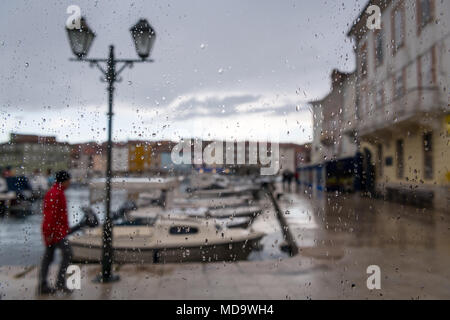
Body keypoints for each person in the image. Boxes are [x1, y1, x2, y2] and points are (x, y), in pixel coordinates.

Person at [38, 170, 73, 295]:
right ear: (64, 181)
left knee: (49, 257)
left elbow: (59, 215)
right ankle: (58, 283)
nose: (70, 183)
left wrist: (65, 228)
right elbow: (50, 216)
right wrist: (48, 233)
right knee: (68, 253)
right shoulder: (55, 194)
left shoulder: (58, 192)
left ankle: (44, 285)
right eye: (69, 180)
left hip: (56, 231)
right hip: (54, 232)